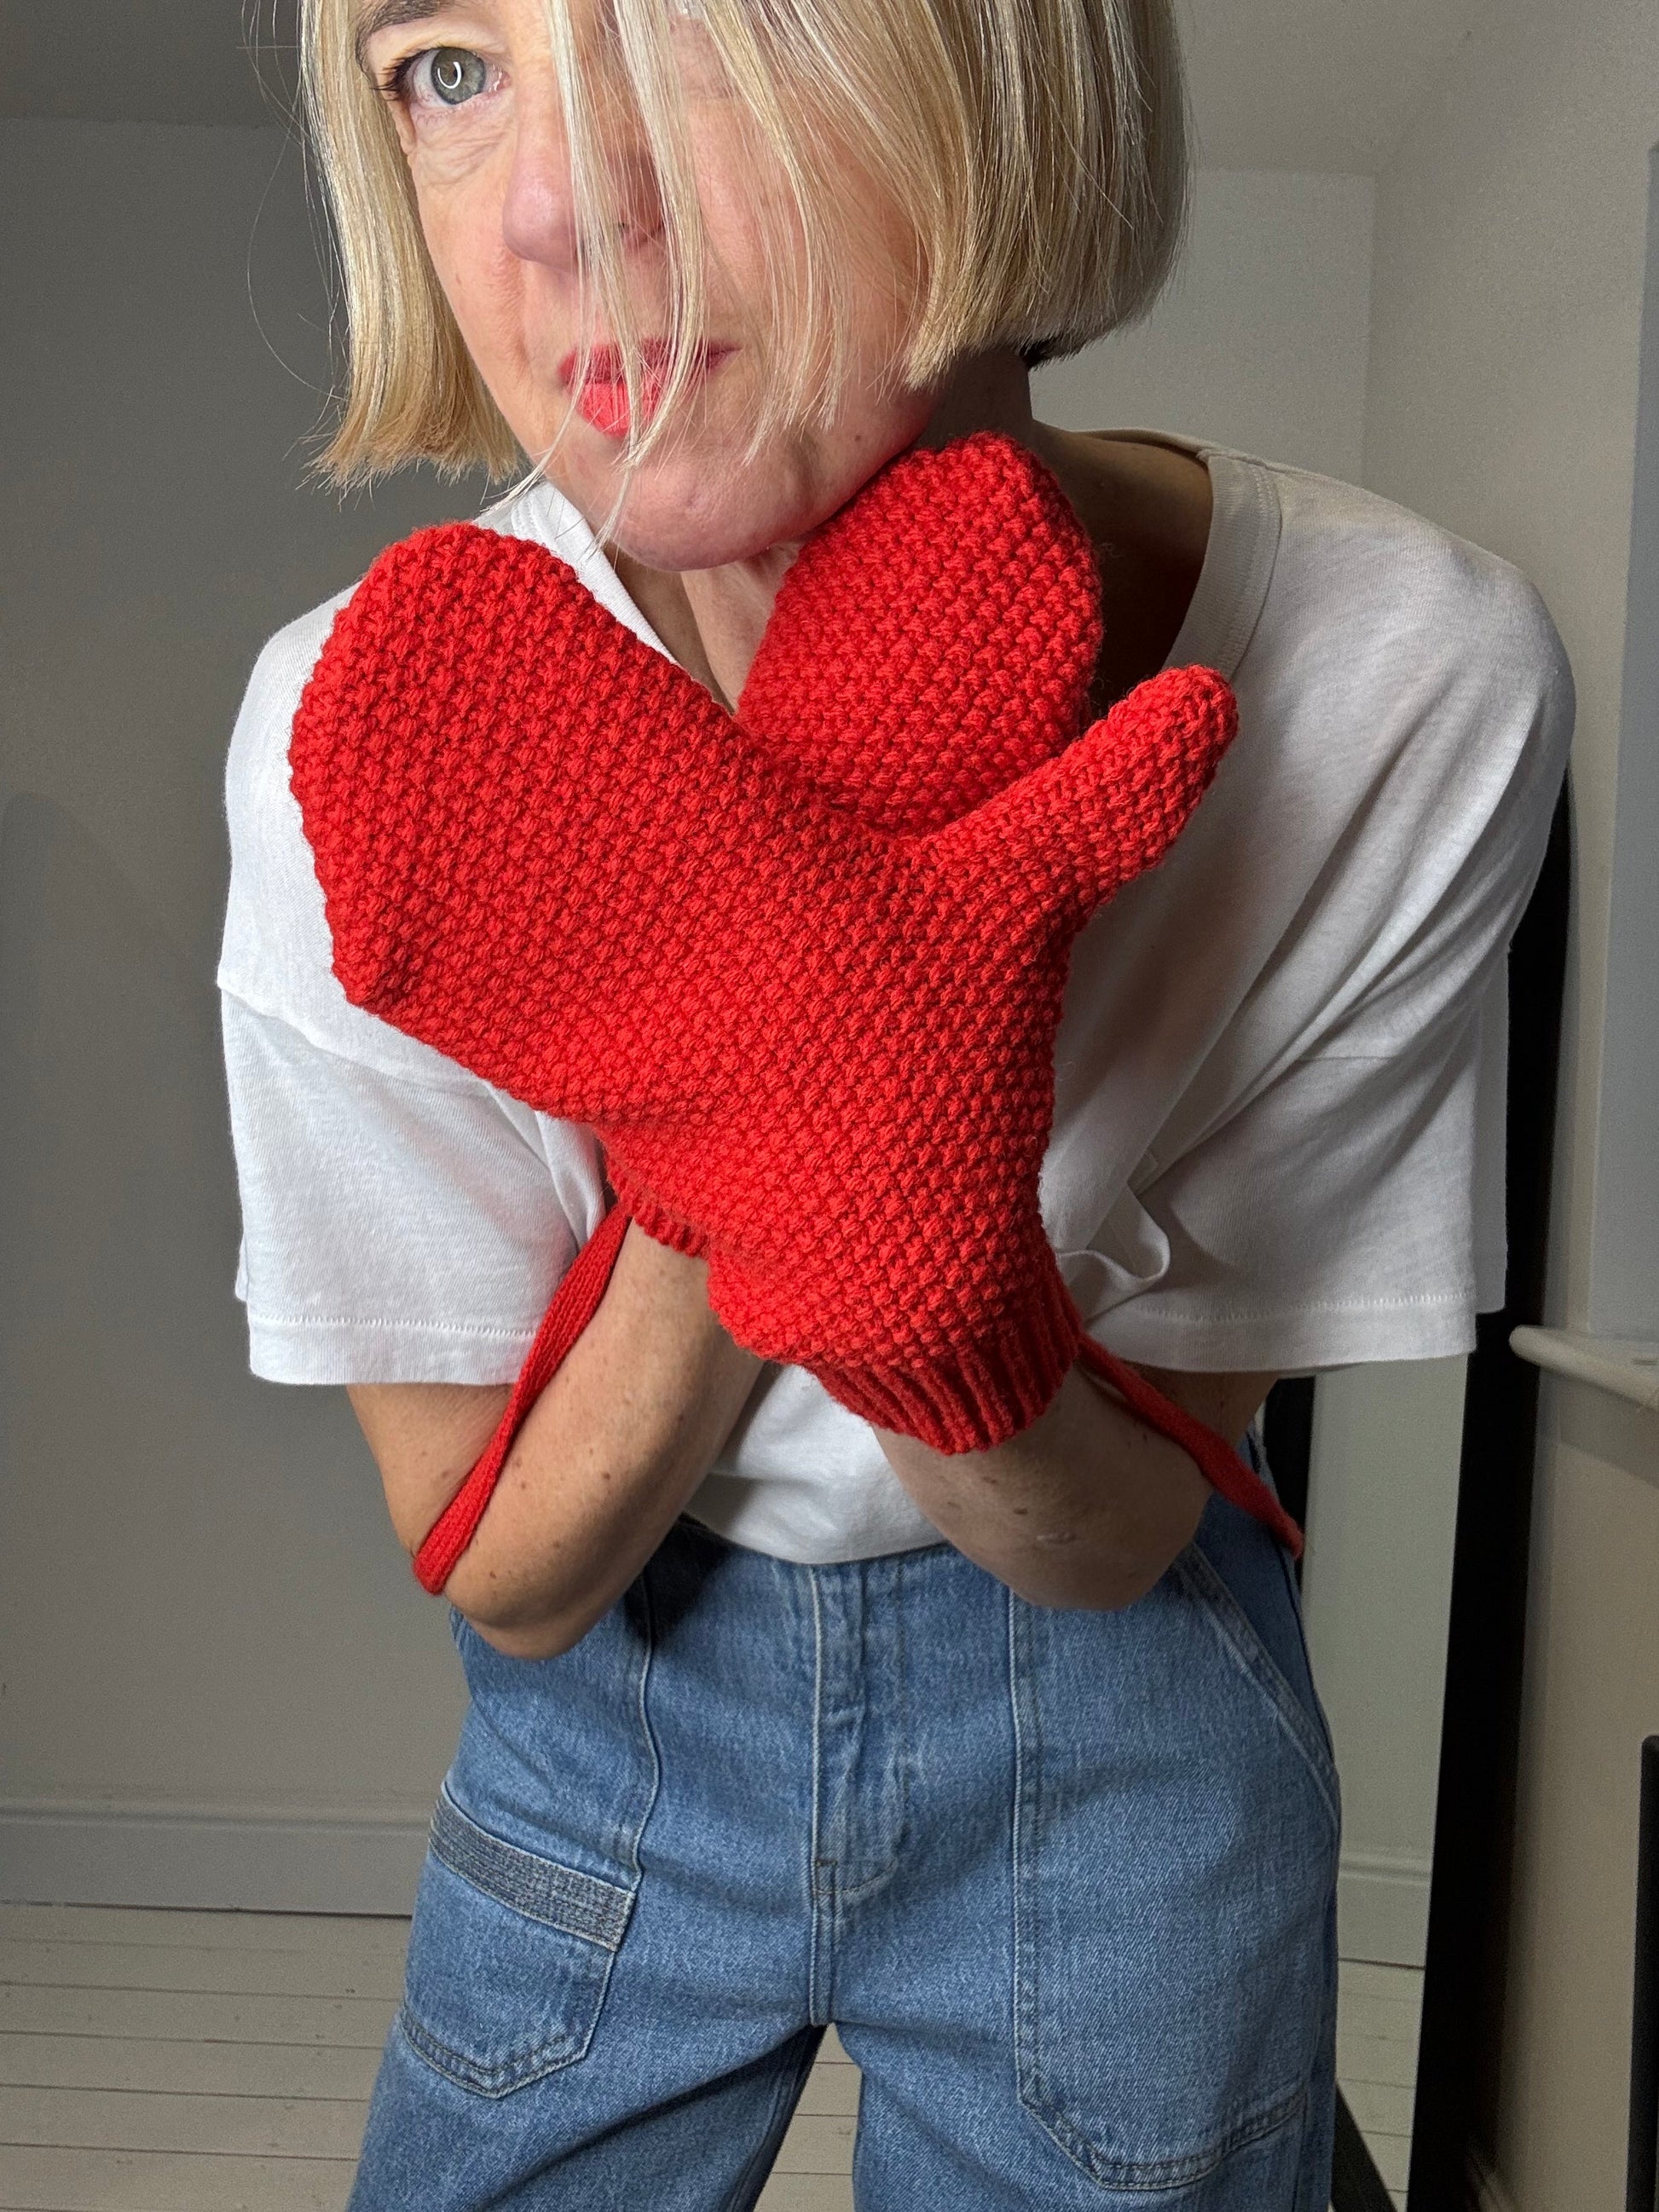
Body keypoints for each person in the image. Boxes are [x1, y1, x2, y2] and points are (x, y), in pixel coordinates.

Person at [215, 0, 1575, 2203]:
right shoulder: (379, 744)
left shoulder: (1400, 686)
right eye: (442, 65)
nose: (556, 208)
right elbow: (516, 1576)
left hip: (1112, 1692)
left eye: (707, 27)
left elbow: (1124, 1525)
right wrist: (779, 1063)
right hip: (621, 1688)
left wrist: (932, 1273)